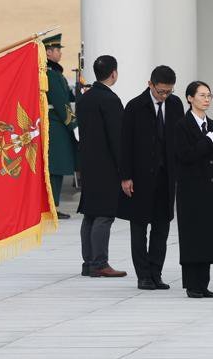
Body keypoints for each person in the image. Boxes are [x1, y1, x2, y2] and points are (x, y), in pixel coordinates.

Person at [118, 65, 182, 290]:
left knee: (161, 227)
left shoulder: (175, 105)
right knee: (139, 227)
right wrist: (126, 177)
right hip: (141, 177)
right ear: (150, 85)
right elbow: (125, 145)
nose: (164, 96)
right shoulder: (135, 107)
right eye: (161, 91)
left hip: (166, 177)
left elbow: (178, 140)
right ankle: (143, 275)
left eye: (168, 91)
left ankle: (156, 272)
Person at [75, 55, 127, 278]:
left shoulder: (85, 98)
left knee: (90, 214)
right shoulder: (110, 100)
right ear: (113, 73)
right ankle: (99, 263)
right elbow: (118, 138)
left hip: (88, 163)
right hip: (106, 165)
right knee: (104, 214)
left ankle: (88, 262)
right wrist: (124, 169)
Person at [173, 81, 213, 298]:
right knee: (192, 236)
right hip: (191, 190)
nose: (206, 99)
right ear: (189, 98)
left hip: (211, 189)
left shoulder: (212, 124)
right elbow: (185, 156)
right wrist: (206, 142)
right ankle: (192, 285)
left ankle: (203, 283)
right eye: (202, 95)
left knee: (208, 237)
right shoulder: (182, 126)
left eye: (209, 95)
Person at [43, 33, 77, 220]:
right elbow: (59, 101)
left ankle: (53, 205)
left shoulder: (55, 72)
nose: (60, 53)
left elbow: (66, 96)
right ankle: (51, 207)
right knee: (55, 166)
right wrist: (73, 123)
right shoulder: (49, 73)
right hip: (55, 124)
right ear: (48, 52)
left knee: (57, 166)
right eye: (57, 50)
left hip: (57, 123)